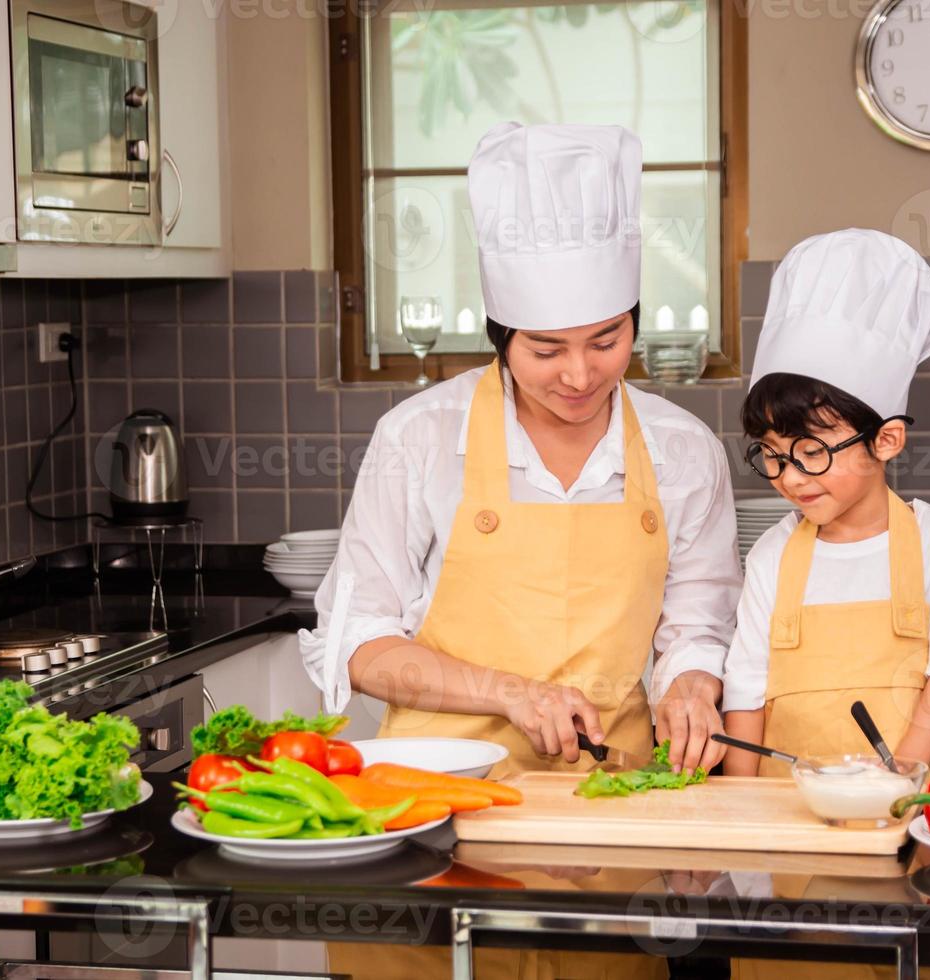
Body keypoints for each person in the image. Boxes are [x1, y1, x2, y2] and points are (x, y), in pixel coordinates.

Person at [300, 121, 743, 978]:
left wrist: (692, 682)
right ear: (500, 334)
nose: (579, 375)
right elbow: (355, 644)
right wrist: (510, 693)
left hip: (611, 834)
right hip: (436, 823)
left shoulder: (684, 449)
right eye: (546, 349)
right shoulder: (419, 437)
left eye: (607, 340)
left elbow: (697, 616)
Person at [719, 229, 930, 980]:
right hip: (785, 834)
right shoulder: (774, 553)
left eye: (813, 450)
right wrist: (742, 819)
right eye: (771, 454)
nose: (791, 477)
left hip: (897, 822)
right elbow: (747, 688)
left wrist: (899, 781)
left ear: (887, 440)